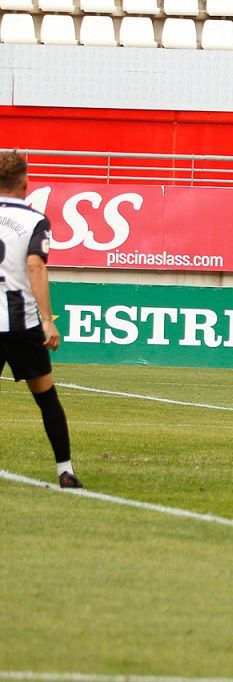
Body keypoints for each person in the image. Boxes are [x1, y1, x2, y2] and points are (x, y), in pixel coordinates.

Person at [0, 151, 81, 488]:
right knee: (46, 397)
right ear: (25, 182)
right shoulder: (35, 220)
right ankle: (65, 470)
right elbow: (35, 265)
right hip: (21, 324)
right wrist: (48, 320)